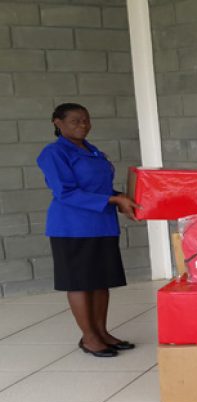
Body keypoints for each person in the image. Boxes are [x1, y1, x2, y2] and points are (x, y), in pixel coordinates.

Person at [37, 103, 139, 358]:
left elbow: (101, 189)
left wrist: (120, 197)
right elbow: (65, 192)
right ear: (57, 123)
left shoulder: (93, 152)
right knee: (81, 283)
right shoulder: (54, 153)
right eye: (75, 121)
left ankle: (102, 332)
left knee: (101, 282)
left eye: (86, 120)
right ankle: (89, 337)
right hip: (73, 227)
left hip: (102, 225)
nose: (83, 125)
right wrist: (114, 201)